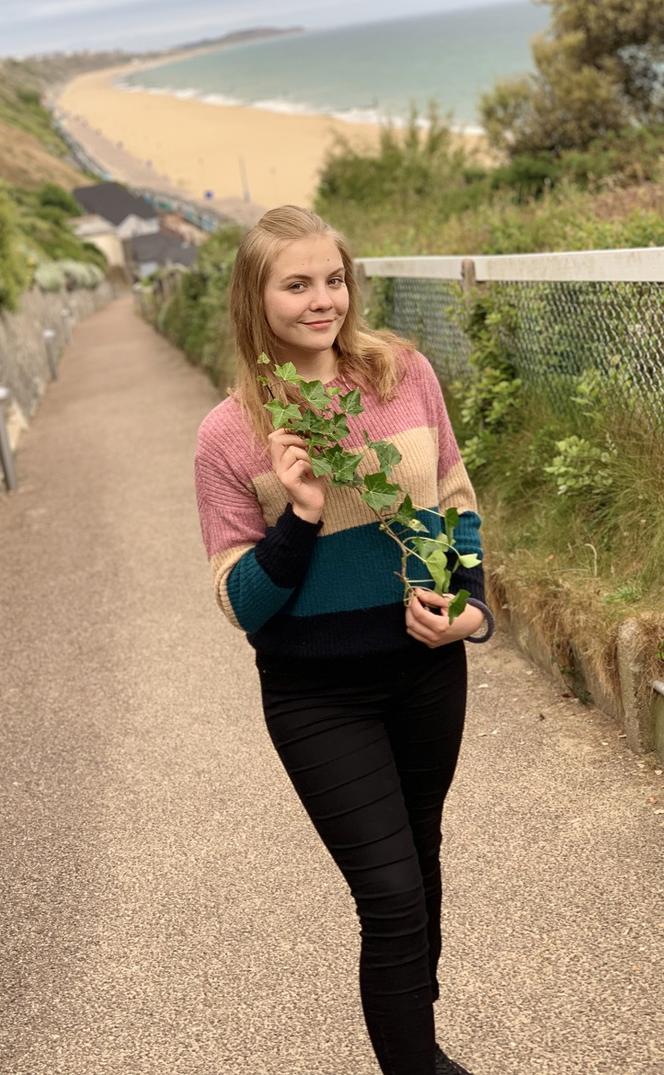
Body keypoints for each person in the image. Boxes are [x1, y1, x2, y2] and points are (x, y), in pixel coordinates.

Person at [194, 205, 495, 1075]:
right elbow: (241, 600)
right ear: (256, 296)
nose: (322, 299)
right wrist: (301, 515)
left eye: (333, 278)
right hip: (316, 695)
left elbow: (453, 494)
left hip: (425, 671)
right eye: (297, 284)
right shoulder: (228, 432)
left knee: (422, 858)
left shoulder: (401, 373)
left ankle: (419, 1038)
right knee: (392, 894)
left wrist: (469, 608)